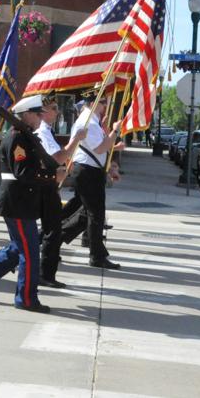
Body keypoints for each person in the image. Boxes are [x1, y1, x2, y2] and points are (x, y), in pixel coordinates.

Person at [0, 95, 58, 313]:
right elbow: (24, 172)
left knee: (22, 246)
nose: (40, 118)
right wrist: (49, 177)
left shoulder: (26, 136)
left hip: (22, 201)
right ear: (26, 114)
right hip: (17, 202)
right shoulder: (18, 139)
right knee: (29, 253)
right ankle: (26, 299)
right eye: (37, 114)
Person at [59, 91, 123, 269]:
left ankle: (54, 238)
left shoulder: (93, 122)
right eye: (103, 104)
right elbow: (101, 148)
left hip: (90, 171)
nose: (104, 108)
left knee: (83, 214)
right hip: (88, 172)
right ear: (95, 103)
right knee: (96, 214)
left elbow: (99, 152)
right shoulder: (89, 122)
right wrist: (116, 131)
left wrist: (110, 168)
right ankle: (96, 256)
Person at [34, 96, 86, 288]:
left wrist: (64, 167)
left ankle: (45, 270)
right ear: (43, 112)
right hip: (46, 189)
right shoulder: (42, 132)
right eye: (54, 108)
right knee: (51, 233)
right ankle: (45, 274)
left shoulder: (48, 131)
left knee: (48, 233)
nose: (57, 111)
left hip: (50, 187)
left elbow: (58, 160)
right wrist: (75, 140)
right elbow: (58, 157)